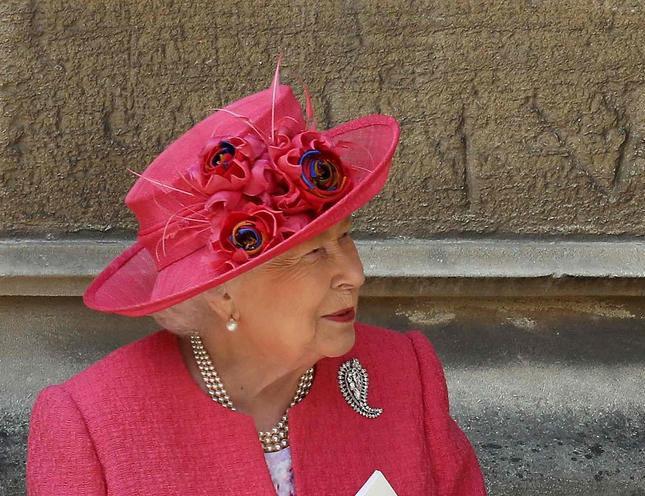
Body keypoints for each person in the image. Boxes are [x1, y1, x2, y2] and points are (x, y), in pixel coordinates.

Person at [26, 72, 486, 496]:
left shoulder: (405, 374)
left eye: (345, 237)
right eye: (312, 253)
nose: (354, 274)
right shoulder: (90, 426)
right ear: (224, 292)